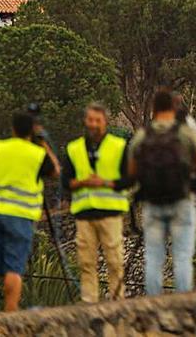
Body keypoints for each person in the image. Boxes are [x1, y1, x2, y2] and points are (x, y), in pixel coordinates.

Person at [127, 89, 196, 296]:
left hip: (153, 204)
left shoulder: (142, 136)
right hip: (181, 201)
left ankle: (153, 305)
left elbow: (131, 172)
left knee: (154, 258)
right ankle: (182, 304)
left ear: (154, 109)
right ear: (173, 108)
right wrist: (190, 172)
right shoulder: (184, 133)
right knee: (182, 256)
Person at [0, 109, 60, 313]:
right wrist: (42, 142)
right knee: (13, 267)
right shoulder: (37, 153)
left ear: (13, 129)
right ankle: (10, 311)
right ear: (32, 131)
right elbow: (55, 171)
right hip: (20, 216)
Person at [61, 103, 132, 303]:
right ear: (85, 121)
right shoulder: (73, 149)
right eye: (90, 120)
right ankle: (89, 301)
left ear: (105, 122)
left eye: (98, 120)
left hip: (110, 212)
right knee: (86, 261)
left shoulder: (118, 146)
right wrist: (83, 182)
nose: (94, 124)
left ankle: (117, 300)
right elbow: (66, 181)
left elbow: (128, 179)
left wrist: (104, 183)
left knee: (115, 260)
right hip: (84, 213)